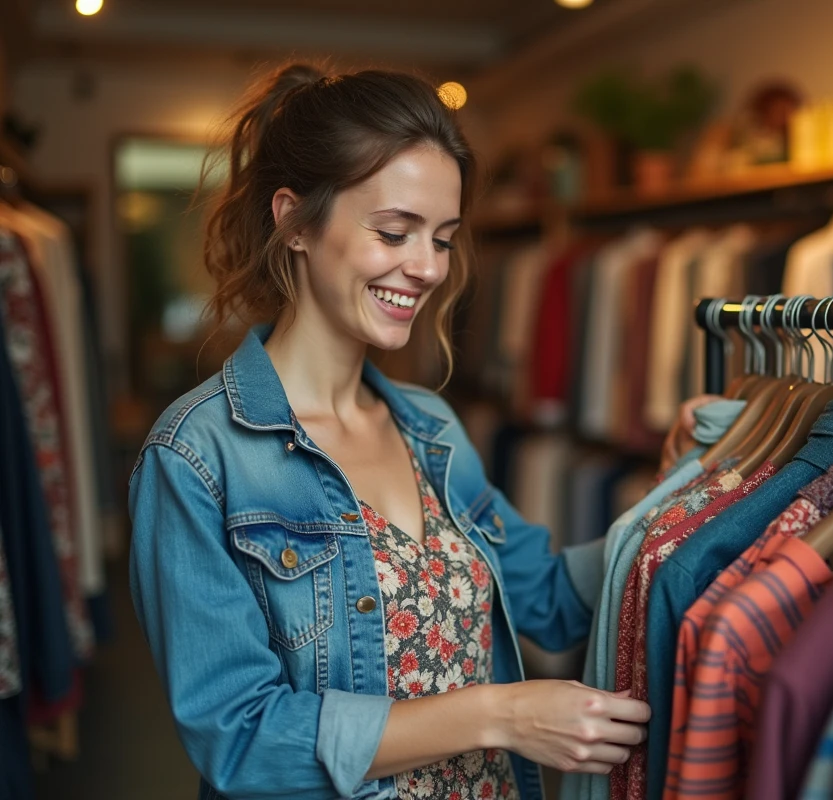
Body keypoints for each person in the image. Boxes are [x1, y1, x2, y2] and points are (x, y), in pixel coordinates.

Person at [127, 63, 697, 800]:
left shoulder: (431, 427)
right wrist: (498, 714)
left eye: (444, 238)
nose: (427, 268)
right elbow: (241, 742)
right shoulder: (197, 457)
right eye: (395, 231)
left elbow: (552, 599)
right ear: (294, 221)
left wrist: (683, 493)